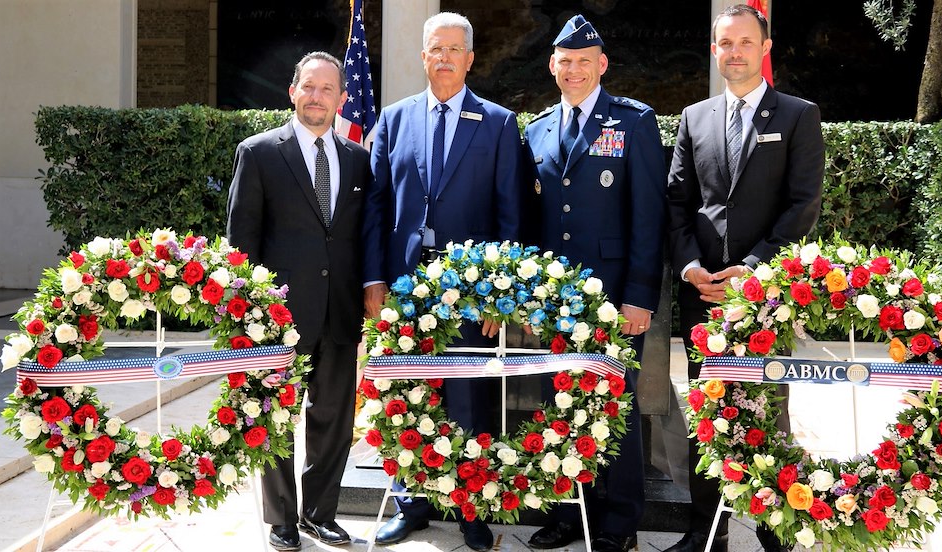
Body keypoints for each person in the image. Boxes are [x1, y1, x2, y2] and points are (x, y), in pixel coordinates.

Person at [665, 5, 824, 552]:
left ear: (764, 47)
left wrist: (754, 270)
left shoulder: (798, 115)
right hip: (703, 291)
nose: (733, 52)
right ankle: (704, 532)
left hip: (765, 297)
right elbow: (678, 203)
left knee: (766, 412)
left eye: (744, 42)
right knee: (706, 413)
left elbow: (802, 207)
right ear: (715, 49)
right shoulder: (694, 117)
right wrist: (690, 268)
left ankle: (773, 525)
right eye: (724, 43)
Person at [362, 12, 522, 552]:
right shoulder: (394, 118)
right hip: (405, 282)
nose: (445, 58)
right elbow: (377, 206)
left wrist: (500, 291)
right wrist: (375, 278)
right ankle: (410, 504)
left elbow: (509, 215)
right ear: (423, 56)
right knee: (405, 394)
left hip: (471, 290)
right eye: (436, 49)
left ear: (471, 58)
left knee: (469, 396)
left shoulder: (498, 123)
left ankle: (471, 508)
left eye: (455, 49)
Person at [522, 14, 668, 552]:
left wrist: (639, 295)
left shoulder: (633, 121)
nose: (575, 70)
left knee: (616, 408)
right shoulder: (536, 128)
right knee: (556, 403)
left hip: (613, 295)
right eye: (566, 61)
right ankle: (567, 513)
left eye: (585, 61)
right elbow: (532, 217)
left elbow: (648, 217)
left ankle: (618, 522)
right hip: (552, 300)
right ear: (552, 66)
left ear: (602, 65)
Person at [226, 51, 372, 551]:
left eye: (327, 89)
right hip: (278, 316)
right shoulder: (260, 152)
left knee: (333, 419)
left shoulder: (357, 159)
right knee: (276, 419)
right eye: (308, 87)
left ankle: (319, 514)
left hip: (340, 312)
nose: (317, 97)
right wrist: (247, 312)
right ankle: (282, 520)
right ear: (293, 92)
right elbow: (240, 242)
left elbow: (357, 237)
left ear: (342, 98)